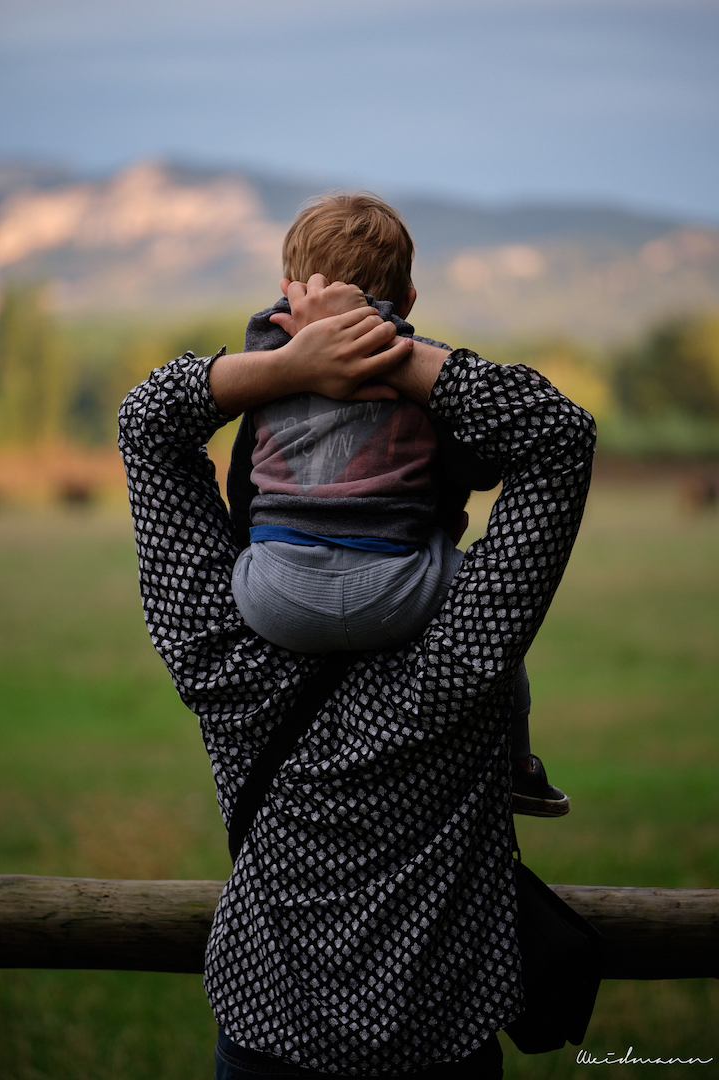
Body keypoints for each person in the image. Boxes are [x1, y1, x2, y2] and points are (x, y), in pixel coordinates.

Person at [119, 298, 595, 1078]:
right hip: (441, 1038)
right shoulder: (463, 661)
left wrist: (293, 364)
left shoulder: (222, 659)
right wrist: (391, 352)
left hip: (267, 1031)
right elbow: (557, 435)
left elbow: (147, 424)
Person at [228, 193, 567, 816]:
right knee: (498, 628)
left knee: (245, 555)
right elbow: (476, 464)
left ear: (287, 288)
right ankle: (518, 763)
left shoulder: (265, 365)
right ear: (408, 300)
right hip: (400, 593)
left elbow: (242, 483)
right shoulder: (417, 365)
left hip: (273, 597)